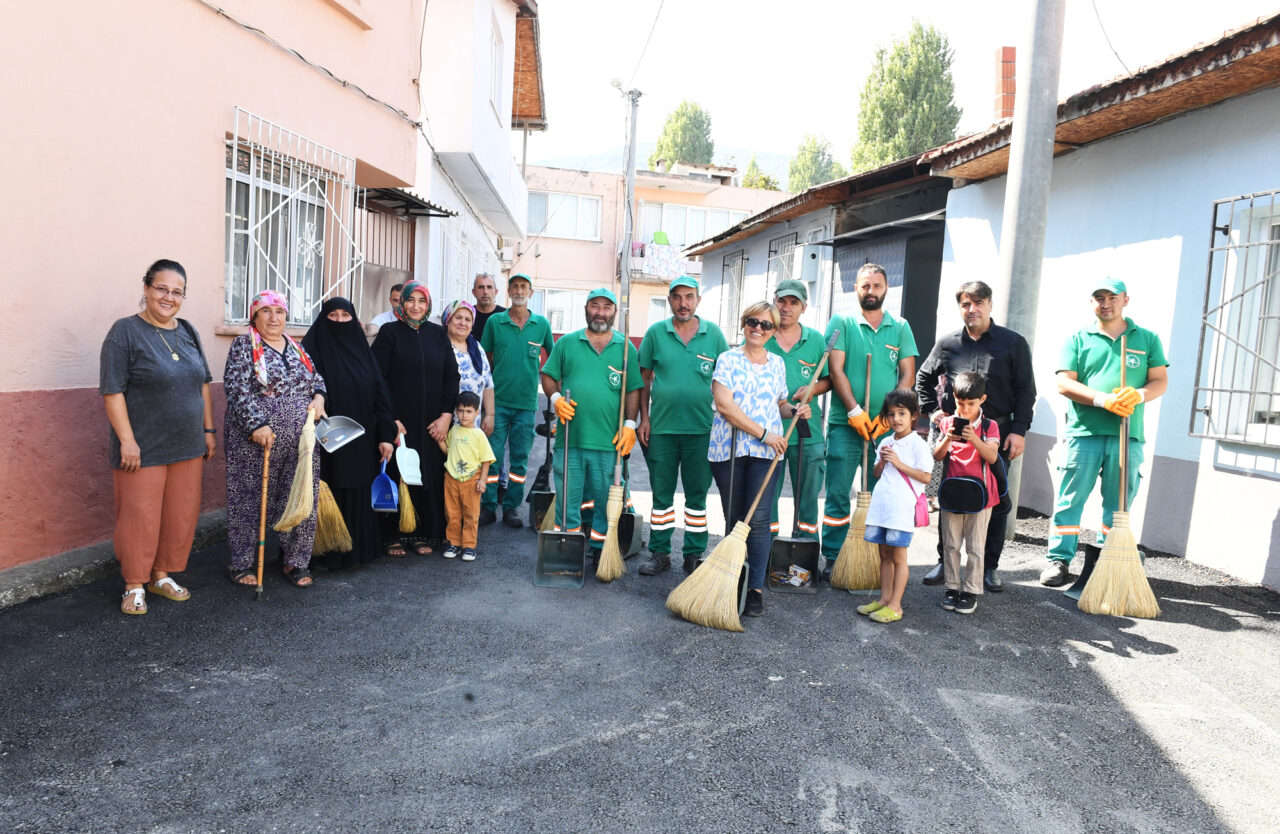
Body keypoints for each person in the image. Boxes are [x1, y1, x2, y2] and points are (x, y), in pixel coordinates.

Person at [100, 259, 215, 615]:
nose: (169, 297)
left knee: (179, 515)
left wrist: (208, 430)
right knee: (140, 516)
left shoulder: (189, 331)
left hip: (188, 445)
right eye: (162, 288)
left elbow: (203, 385)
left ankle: (161, 575)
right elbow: (113, 391)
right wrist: (127, 440)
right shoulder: (125, 332)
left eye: (177, 292)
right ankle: (134, 584)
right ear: (147, 289)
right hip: (143, 446)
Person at [1040, 278, 1168, 586]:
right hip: (1084, 432)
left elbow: (1159, 381)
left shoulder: (1147, 339)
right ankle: (1059, 560)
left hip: (1128, 434)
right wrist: (1102, 399)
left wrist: (1138, 395)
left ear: (1126, 300)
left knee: (1119, 505)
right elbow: (1064, 383)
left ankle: (1107, 559)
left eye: (1112, 297)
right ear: (1092, 302)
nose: (1105, 302)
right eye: (1099, 297)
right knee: (1071, 499)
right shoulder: (1078, 339)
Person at [916, 280, 1035, 592]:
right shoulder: (948, 344)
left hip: (996, 435)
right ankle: (946, 561)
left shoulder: (1013, 343)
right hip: (954, 435)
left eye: (978, 303)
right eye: (966, 304)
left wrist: (1019, 431)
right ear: (960, 308)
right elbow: (923, 378)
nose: (972, 309)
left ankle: (989, 568)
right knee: (952, 497)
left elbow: (1026, 391)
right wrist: (933, 412)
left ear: (990, 305)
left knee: (996, 501)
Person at [224, 290, 327, 588]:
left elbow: (316, 380)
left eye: (279, 311)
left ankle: (295, 560)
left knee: (298, 496)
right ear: (254, 316)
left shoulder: (297, 347)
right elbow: (237, 388)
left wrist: (319, 398)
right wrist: (257, 424)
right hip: (256, 441)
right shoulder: (244, 345)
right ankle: (242, 562)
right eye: (266, 311)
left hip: (301, 441)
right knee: (248, 498)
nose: (273, 317)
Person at [821, 263, 918, 577]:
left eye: (877, 286)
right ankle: (834, 557)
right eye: (865, 286)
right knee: (837, 494)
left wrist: (890, 417)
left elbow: (907, 373)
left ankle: (876, 559)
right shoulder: (843, 322)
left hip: (885, 431)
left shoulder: (900, 326)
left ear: (886, 288)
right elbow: (836, 369)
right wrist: (854, 411)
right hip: (845, 424)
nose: (871, 291)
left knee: (881, 494)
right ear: (856, 289)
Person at [709, 302, 801, 618]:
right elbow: (725, 407)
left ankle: (755, 590)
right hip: (729, 450)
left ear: (774, 331)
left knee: (759, 520)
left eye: (766, 325)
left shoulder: (777, 364)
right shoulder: (727, 359)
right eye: (752, 321)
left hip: (766, 454)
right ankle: (731, 579)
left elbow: (780, 404)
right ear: (743, 323)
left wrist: (795, 410)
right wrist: (764, 433)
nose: (758, 329)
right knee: (735, 517)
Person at [540, 288, 642, 562]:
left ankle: (600, 551)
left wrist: (630, 424)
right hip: (570, 439)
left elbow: (633, 389)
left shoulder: (625, 348)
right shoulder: (567, 343)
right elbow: (548, 375)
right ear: (586, 309)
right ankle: (567, 550)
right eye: (595, 306)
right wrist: (556, 397)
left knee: (605, 503)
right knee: (567, 501)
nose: (600, 312)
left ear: (614, 313)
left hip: (609, 442)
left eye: (606, 307)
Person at [636, 275, 729, 575]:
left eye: (689, 297)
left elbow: (726, 380)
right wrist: (644, 419)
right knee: (661, 495)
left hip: (702, 431)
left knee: (697, 497)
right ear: (670, 301)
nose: (683, 303)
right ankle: (660, 553)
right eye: (677, 297)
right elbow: (643, 380)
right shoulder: (655, 333)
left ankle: (693, 553)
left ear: (698, 300)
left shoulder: (713, 335)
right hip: (661, 429)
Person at [301, 297, 397, 568]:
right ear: (323, 319)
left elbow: (381, 397)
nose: (340, 321)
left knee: (358, 490)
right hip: (325, 444)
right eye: (333, 316)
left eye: (346, 316)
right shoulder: (309, 352)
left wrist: (385, 436)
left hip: (362, 442)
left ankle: (357, 551)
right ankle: (321, 555)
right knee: (327, 491)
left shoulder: (364, 353)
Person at [371, 281, 460, 554]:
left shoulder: (437, 334)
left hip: (433, 424)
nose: (416, 306)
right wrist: (391, 419)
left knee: (429, 475)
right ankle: (394, 535)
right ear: (402, 303)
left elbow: (451, 376)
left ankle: (425, 534)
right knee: (399, 473)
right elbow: (378, 379)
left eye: (422, 301)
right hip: (401, 423)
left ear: (428, 304)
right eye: (411, 300)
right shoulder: (389, 333)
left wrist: (446, 416)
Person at [479, 273, 554, 528]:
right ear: (508, 292)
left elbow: (553, 361)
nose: (519, 290)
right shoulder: (494, 322)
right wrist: (484, 399)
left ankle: (511, 507)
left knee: (519, 460)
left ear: (531, 293)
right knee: (492, 456)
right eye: (515, 287)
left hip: (526, 405)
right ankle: (488, 507)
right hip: (497, 403)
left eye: (524, 287)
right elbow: (485, 360)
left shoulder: (541, 324)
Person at [857, 389, 933, 624]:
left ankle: (896, 606)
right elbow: (877, 474)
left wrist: (898, 463)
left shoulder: (917, 444)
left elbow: (926, 477)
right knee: (884, 554)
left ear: (913, 416)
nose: (896, 419)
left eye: (902, 413)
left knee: (899, 556)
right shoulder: (885, 441)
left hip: (901, 509)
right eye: (891, 414)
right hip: (882, 507)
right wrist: (881, 461)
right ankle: (884, 599)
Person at [765, 279, 831, 546]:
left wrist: (813, 389)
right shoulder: (763, 334)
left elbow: (829, 380)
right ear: (774, 300)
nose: (786, 307)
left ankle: (804, 550)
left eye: (794, 302)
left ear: (803, 306)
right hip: (769, 433)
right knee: (767, 497)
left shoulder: (815, 340)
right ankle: (765, 551)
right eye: (782, 301)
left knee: (807, 499)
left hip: (808, 433)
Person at [932, 372, 1001, 615]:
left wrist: (974, 438)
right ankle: (951, 587)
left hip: (982, 497)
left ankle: (971, 589)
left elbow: (992, 456)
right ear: (954, 398)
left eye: (971, 404)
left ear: (982, 399)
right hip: (952, 492)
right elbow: (937, 455)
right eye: (960, 403)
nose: (965, 409)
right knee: (950, 544)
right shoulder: (948, 422)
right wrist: (947, 439)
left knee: (975, 546)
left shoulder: (990, 426)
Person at [437, 391, 496, 562]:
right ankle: (453, 543)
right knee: (452, 513)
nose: (464, 415)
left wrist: (482, 480)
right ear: (456, 411)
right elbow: (449, 452)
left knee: (471, 514)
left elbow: (486, 460)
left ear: (477, 413)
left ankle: (469, 546)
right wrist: (440, 440)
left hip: (471, 480)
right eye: (461, 410)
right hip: (451, 478)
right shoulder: (454, 430)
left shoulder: (479, 435)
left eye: (469, 411)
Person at [441, 300, 495, 433]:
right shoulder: (439, 346)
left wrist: (489, 415)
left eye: (468, 319)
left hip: (471, 426)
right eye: (458, 317)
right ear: (448, 319)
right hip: (444, 424)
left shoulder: (477, 348)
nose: (463, 323)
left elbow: (488, 384)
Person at [471, 272, 506, 343]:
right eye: (481, 287)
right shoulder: (467, 315)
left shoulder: (506, 316)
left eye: (489, 287)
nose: (485, 292)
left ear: (496, 292)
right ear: (474, 292)